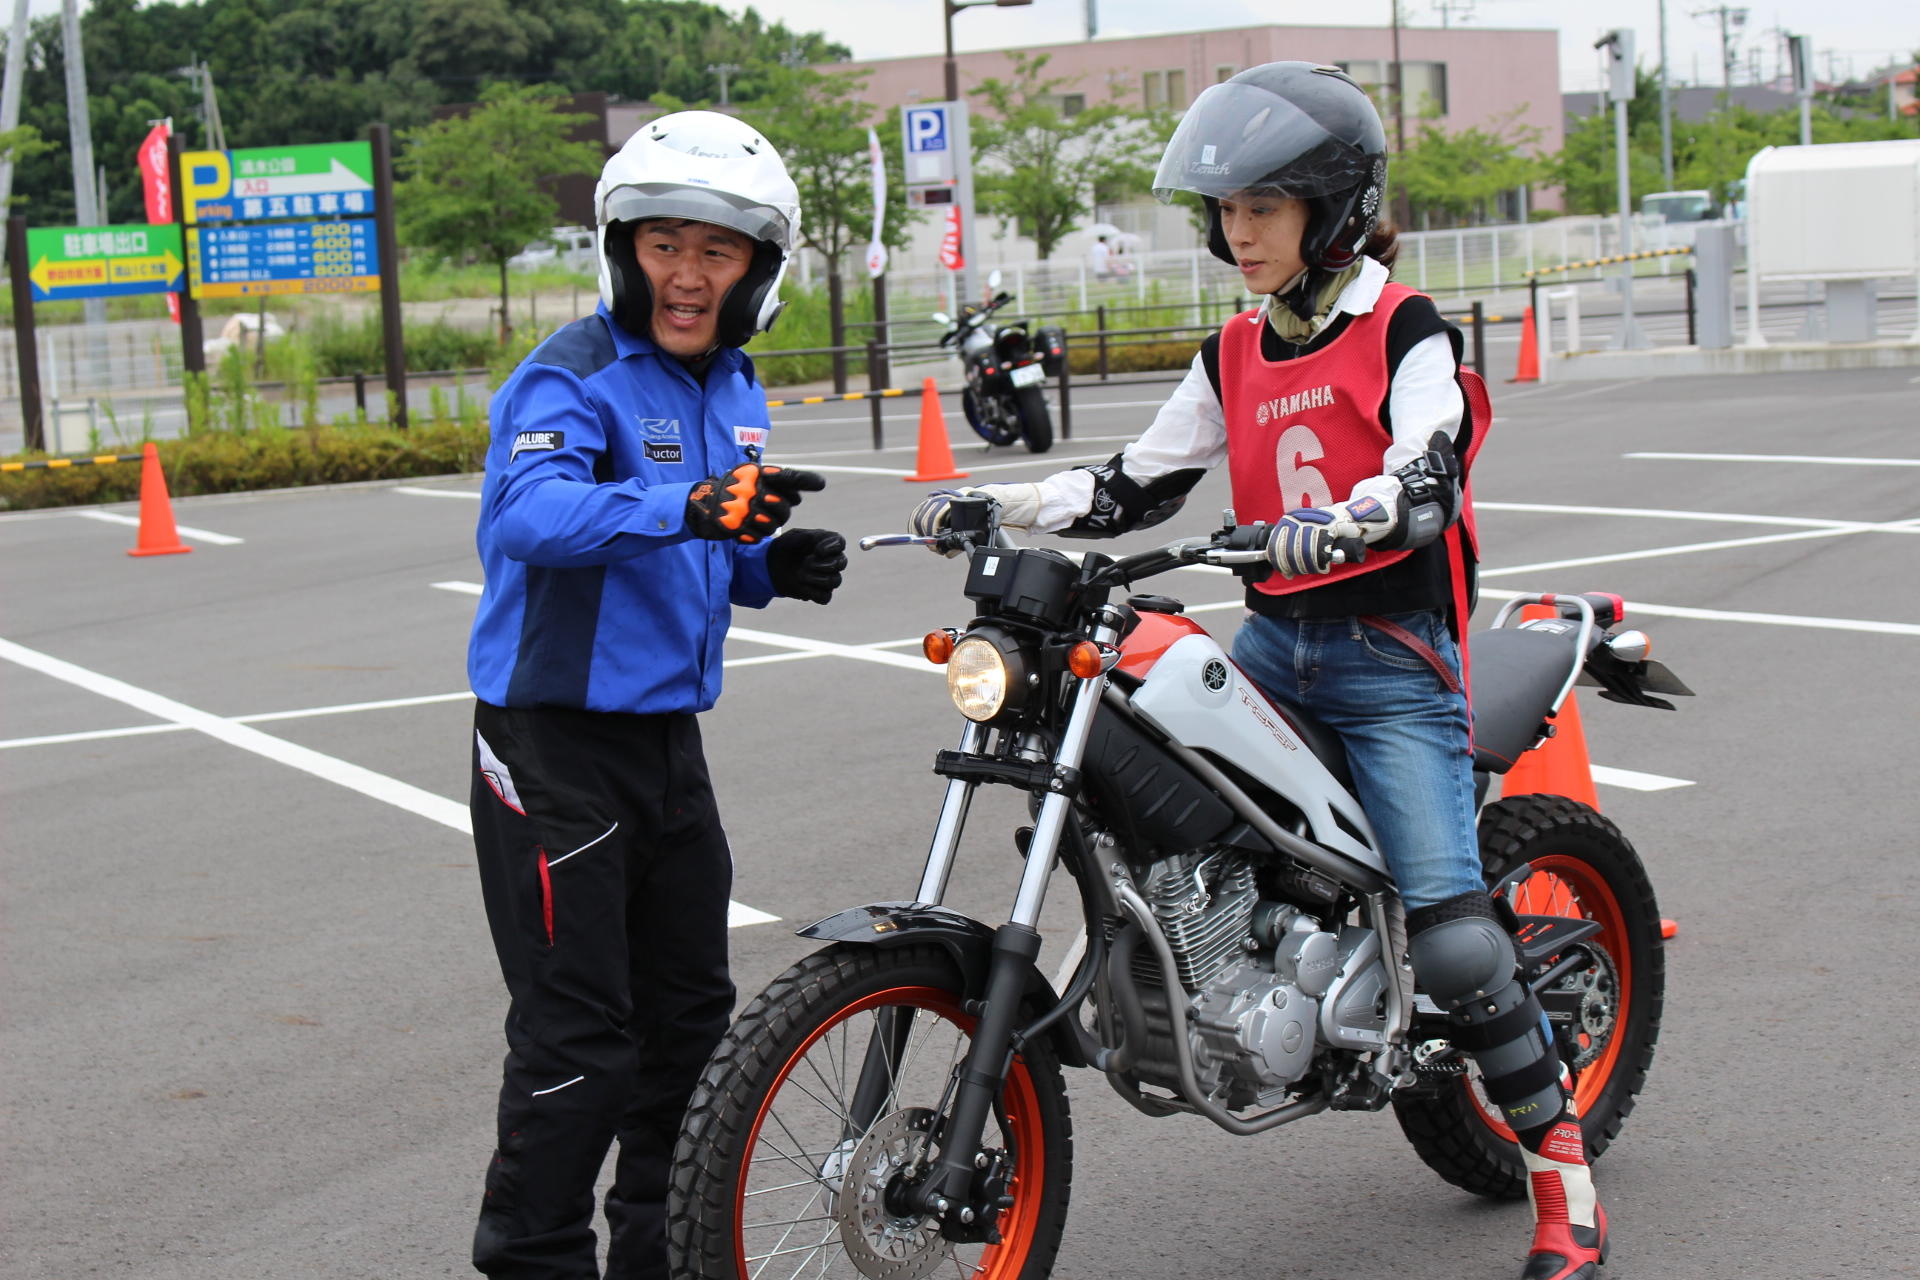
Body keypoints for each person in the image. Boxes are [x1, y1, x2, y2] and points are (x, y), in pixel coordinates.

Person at [911, 63, 1606, 1280]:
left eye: (1264, 208)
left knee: (1448, 934)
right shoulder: (1235, 344)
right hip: (1278, 648)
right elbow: (1134, 479)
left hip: (1391, 664)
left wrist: (1364, 513)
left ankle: (1562, 1173)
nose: (1239, 232)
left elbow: (1429, 462)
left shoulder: (1405, 328)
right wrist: (995, 498)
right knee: (1183, 805)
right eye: (1227, 210)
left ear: (1333, 209)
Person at [464, 110, 848, 1280]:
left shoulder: (731, 389)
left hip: (667, 747)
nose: (687, 274)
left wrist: (765, 564)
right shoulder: (572, 375)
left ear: (757, 274)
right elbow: (528, 519)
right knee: (581, 1030)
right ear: (620, 250)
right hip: (550, 745)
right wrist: (685, 511)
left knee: (687, 1022)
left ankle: (661, 1257)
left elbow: (707, 549)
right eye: (664, 244)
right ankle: (532, 1261)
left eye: (717, 252)